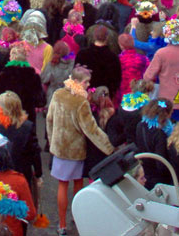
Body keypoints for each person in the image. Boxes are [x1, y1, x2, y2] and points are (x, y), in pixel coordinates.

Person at [46, 65, 113, 236]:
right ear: (76, 81)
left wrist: (52, 140)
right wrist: (108, 147)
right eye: (86, 82)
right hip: (75, 150)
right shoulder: (81, 102)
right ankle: (77, 216)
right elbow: (91, 130)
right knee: (78, 184)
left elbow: (49, 119)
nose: (88, 85)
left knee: (62, 184)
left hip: (59, 148)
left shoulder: (58, 94)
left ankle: (61, 225)